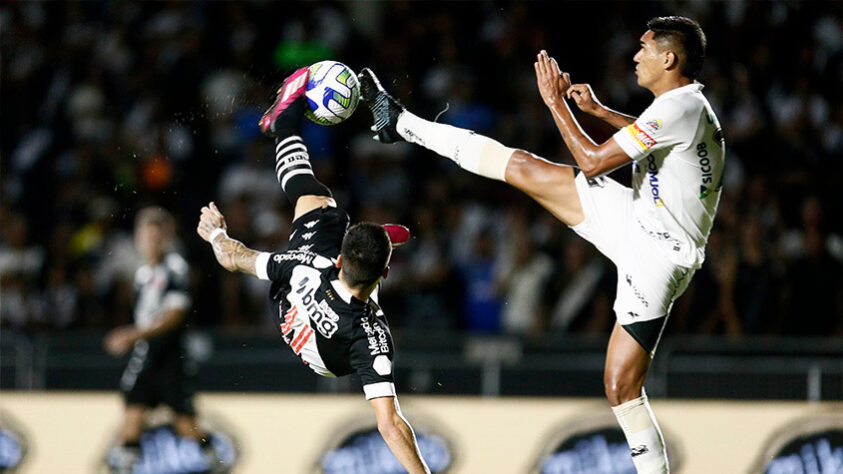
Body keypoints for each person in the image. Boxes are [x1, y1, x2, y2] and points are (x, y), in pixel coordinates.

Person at [359, 16, 722, 474]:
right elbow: (654, 136)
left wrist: (556, 104)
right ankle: (401, 123)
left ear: (669, 58)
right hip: (639, 217)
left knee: (621, 388)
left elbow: (592, 163)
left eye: (644, 49)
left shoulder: (678, 109)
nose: (635, 56)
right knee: (524, 167)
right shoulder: (685, 107)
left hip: (655, 255)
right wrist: (598, 111)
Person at [195, 68, 430, 474]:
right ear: (385, 276)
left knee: (319, 200)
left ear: (340, 259)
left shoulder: (306, 265)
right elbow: (390, 425)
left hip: (294, 298)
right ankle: (378, 241)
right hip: (320, 348)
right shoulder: (372, 337)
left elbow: (234, 258)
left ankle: (282, 121)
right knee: (328, 213)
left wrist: (215, 234)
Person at [104, 207, 220, 473]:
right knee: (132, 420)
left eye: (156, 237)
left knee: (186, 426)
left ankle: (215, 458)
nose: (150, 243)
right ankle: (126, 467)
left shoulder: (174, 268)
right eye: (145, 236)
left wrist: (132, 334)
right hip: (146, 357)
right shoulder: (144, 274)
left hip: (171, 359)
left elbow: (174, 315)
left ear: (166, 238)